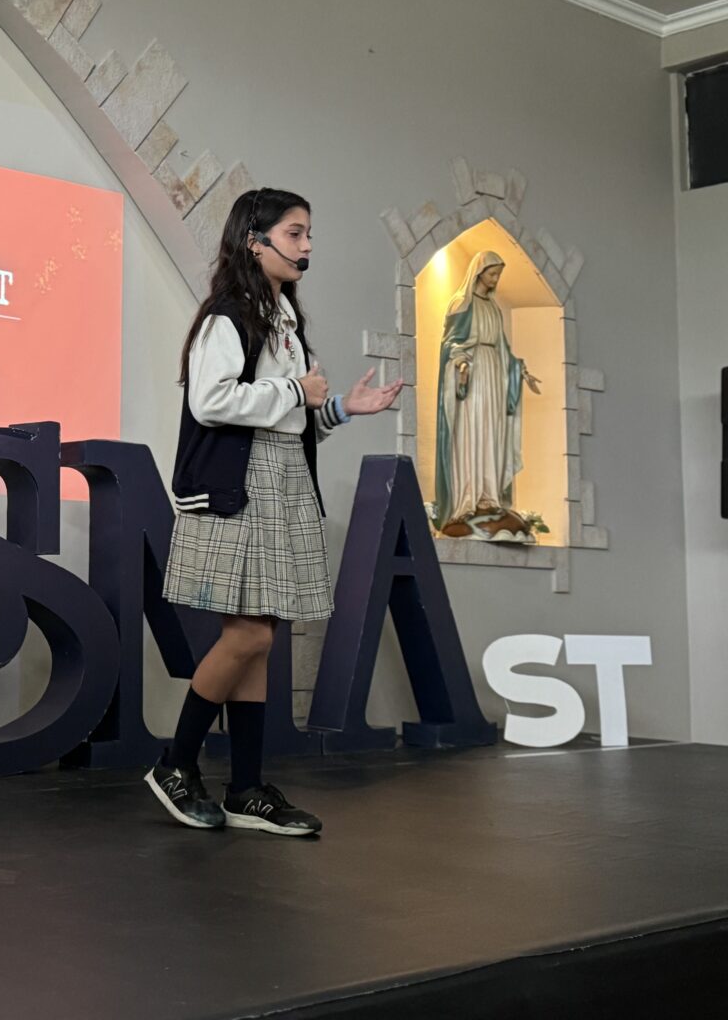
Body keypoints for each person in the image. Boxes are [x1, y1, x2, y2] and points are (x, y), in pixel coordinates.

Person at [146, 187, 402, 835]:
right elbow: (211, 402)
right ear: (253, 241)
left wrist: (340, 409)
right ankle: (175, 764)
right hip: (240, 484)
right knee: (251, 637)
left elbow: (291, 419)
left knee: (261, 641)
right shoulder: (227, 316)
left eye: (308, 233)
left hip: (280, 476)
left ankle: (246, 787)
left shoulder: (282, 317)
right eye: (294, 233)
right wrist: (295, 389)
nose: (306, 246)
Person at [432, 250, 542, 539]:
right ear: (478, 273)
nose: (495, 280)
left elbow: (502, 348)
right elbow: (451, 343)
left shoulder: (493, 308)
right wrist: (461, 362)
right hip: (473, 373)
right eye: (492, 274)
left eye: (498, 275)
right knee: (472, 432)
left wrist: (519, 370)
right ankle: (468, 498)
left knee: (492, 433)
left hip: (493, 374)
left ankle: (489, 497)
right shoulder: (461, 304)